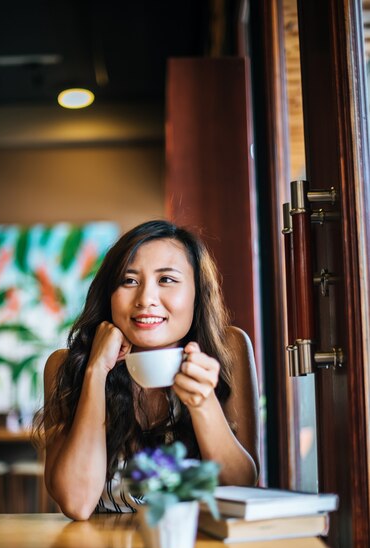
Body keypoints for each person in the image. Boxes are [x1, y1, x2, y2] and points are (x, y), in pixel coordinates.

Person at [34, 220, 260, 520]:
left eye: (166, 279)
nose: (145, 300)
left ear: (196, 292)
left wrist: (203, 403)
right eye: (129, 281)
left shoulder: (227, 349)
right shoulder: (67, 365)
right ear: (109, 294)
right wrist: (96, 371)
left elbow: (240, 485)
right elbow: (76, 503)